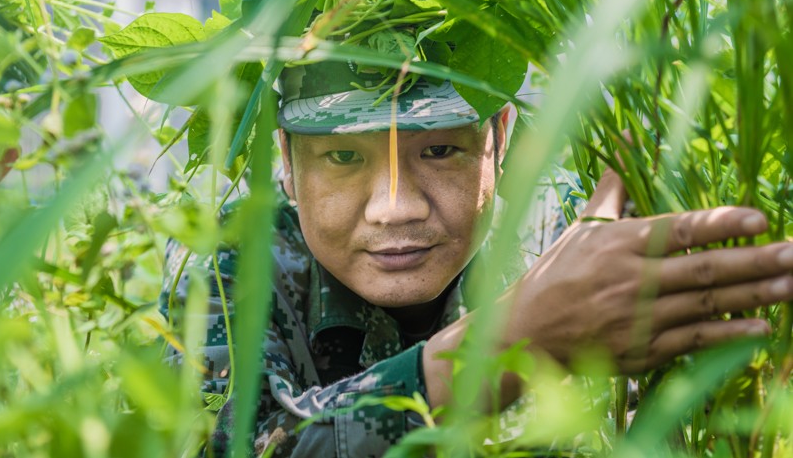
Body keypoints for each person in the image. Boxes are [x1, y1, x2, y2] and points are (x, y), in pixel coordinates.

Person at [161, 59, 793, 457]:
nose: (395, 208)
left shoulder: (571, 234)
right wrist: (515, 340)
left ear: (500, 138)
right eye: (344, 158)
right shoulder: (231, 270)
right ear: (288, 167)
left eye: (438, 152)